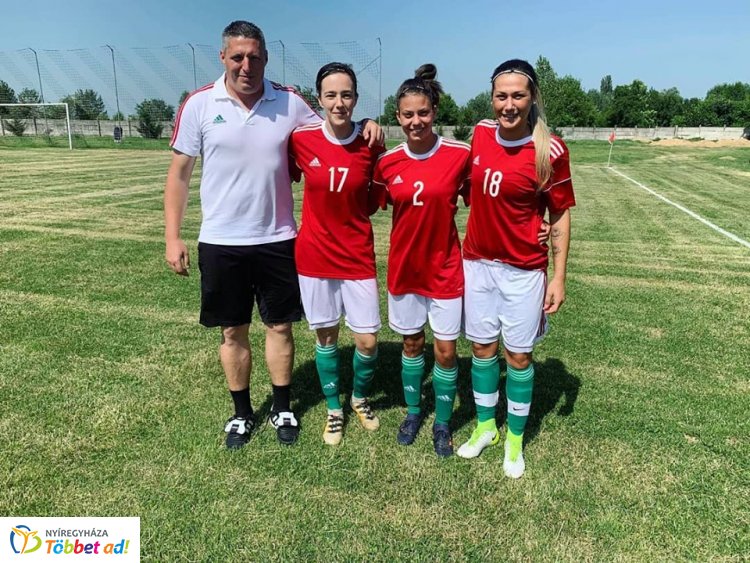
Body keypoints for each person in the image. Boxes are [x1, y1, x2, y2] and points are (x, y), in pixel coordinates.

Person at [163, 21, 382, 450]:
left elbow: (335, 128)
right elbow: (179, 175)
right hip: (221, 241)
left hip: (278, 238)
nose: (247, 65)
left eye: (255, 57)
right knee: (232, 331)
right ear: (223, 57)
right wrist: (173, 237)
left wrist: (368, 123)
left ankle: (283, 407)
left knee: (280, 326)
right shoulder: (199, 104)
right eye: (238, 57)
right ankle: (242, 413)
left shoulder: (290, 102)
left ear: (266, 58)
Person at [458, 59, 575, 479]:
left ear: (532, 98)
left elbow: (559, 214)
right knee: (482, 349)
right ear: (492, 98)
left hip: (523, 270)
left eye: (518, 96)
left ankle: (514, 438)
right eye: (501, 96)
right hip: (477, 264)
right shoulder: (479, 133)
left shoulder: (550, 150)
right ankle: (486, 426)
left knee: (519, 355)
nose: (509, 105)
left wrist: (558, 276)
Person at [372, 64, 470, 458]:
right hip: (405, 269)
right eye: (408, 114)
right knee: (412, 345)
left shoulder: (460, 155)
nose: (416, 121)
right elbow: (363, 205)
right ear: (398, 116)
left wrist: (536, 225)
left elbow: (486, 201)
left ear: (435, 112)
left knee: (445, 351)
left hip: (445, 269)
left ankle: (443, 422)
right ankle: (414, 412)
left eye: (423, 113)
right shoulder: (387, 163)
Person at [287, 63, 385, 445]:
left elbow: (377, 197)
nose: (339, 103)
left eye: (346, 95)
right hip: (314, 256)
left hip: (357, 255)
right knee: (326, 337)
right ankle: (333, 409)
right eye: (331, 95)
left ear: (356, 99)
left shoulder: (371, 143)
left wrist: (372, 124)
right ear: (319, 99)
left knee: (367, 341)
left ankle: (359, 399)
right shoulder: (300, 139)